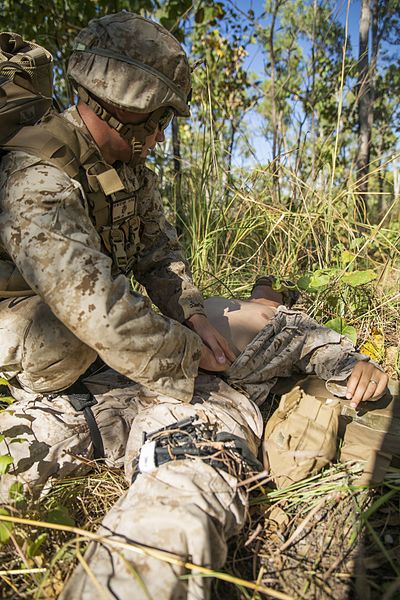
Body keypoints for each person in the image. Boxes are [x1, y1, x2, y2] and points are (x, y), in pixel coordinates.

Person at [59, 277, 397, 600]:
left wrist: (359, 367)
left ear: (285, 297)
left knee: (174, 504)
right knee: (28, 442)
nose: (269, 287)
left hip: (203, 403)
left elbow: (332, 356)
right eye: (264, 283)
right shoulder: (196, 304)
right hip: (119, 389)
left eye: (277, 286)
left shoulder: (288, 322)